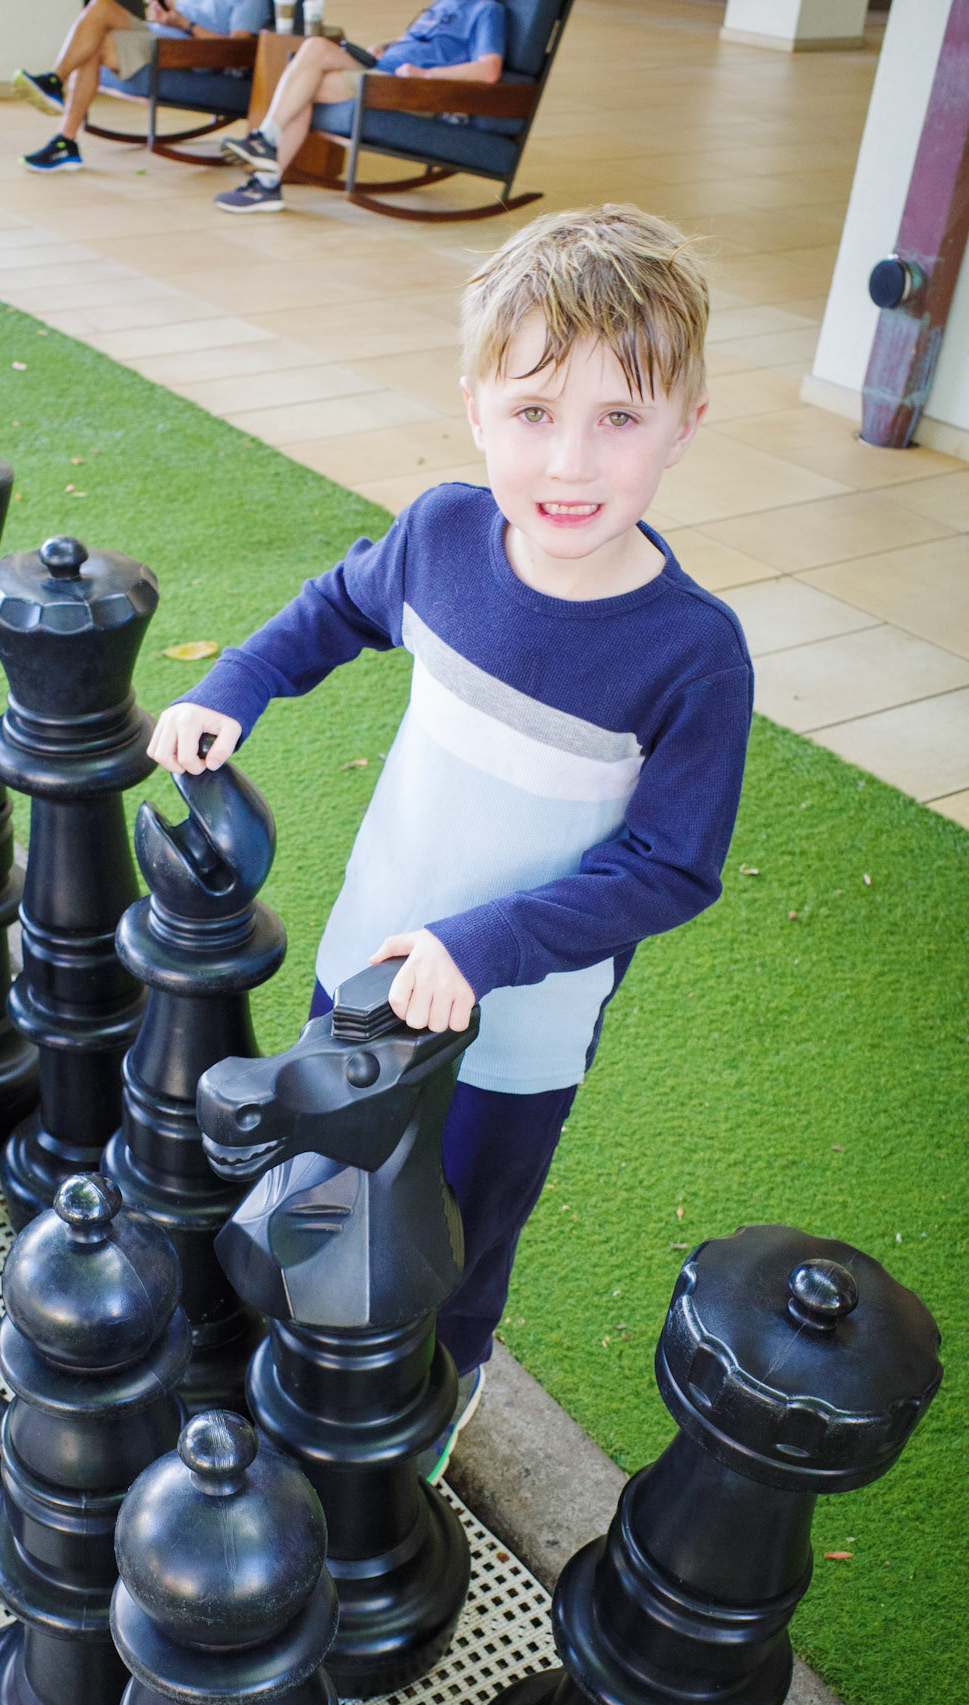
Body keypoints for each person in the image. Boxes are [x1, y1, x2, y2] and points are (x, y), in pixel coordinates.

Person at [147, 205, 754, 1477]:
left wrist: (485, 947)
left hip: (517, 1025)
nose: (571, 461)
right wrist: (235, 686)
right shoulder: (438, 536)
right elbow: (334, 608)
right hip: (373, 955)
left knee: (463, 1217)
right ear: (478, 407)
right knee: (330, 1157)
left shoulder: (692, 655)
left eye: (620, 418)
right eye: (535, 413)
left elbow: (673, 867)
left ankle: (442, 1378)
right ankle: (318, 1334)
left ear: (686, 427)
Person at [215, 0, 505, 214]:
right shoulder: (444, 4)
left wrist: (426, 75)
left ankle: (266, 176)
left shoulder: (487, 9)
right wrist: (387, 45)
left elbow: (489, 69)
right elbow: (428, 43)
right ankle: (265, 143)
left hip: (405, 88)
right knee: (315, 48)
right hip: (381, 68)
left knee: (306, 86)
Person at [14, 0, 269, 172]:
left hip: (185, 52)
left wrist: (184, 25)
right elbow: (172, 13)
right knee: (99, 6)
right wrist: (165, 11)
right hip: (156, 35)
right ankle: (55, 81)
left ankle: (64, 140)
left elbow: (236, 49)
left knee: (96, 46)